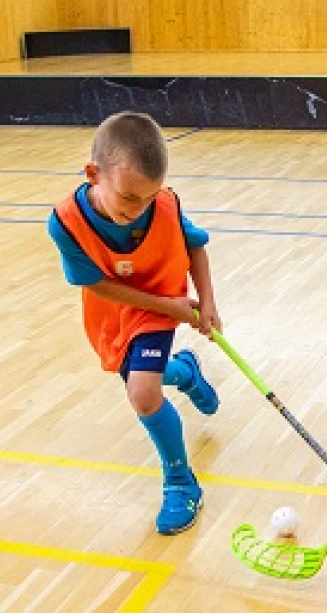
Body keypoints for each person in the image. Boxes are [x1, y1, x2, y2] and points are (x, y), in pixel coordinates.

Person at [48, 111, 221, 536]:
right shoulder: (65, 223)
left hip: (163, 296)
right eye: (129, 198)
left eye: (149, 197)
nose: (140, 209)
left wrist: (207, 302)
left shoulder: (162, 204)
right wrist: (170, 308)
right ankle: (185, 371)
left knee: (143, 393)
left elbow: (195, 248)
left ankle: (182, 483)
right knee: (146, 378)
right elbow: (97, 285)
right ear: (93, 174)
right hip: (114, 308)